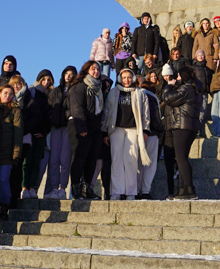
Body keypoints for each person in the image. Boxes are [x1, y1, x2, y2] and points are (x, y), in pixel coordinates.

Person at [103, 67, 151, 201]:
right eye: (124, 78)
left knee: (131, 160)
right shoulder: (113, 92)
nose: (126, 80)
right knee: (117, 160)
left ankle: (131, 192)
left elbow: (145, 113)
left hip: (133, 129)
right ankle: (116, 191)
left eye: (129, 77)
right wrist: (104, 131)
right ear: (120, 79)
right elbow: (107, 113)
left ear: (133, 79)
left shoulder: (139, 93)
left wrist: (145, 130)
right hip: (116, 129)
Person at [162, 62, 202, 199]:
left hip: (182, 126)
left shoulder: (187, 89)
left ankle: (189, 190)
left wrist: (169, 86)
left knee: (180, 158)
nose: (177, 78)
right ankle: (182, 189)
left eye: (179, 75)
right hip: (189, 126)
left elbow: (167, 98)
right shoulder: (194, 88)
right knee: (181, 158)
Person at [67, 61, 106, 199]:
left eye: (98, 69)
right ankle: (76, 188)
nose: (96, 71)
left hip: (94, 126)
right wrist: (82, 128)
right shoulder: (79, 87)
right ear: (86, 70)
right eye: (93, 69)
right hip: (80, 125)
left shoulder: (98, 88)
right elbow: (77, 108)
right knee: (80, 157)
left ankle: (87, 188)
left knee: (92, 158)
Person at [0, 85, 21, 218]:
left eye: (10, 94)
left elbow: (18, 134)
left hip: (7, 151)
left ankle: (4, 207)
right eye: (5, 93)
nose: (7, 96)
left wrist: (16, 153)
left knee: (2, 180)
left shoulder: (15, 111)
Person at [21, 71, 53, 201]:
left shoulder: (50, 94)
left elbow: (49, 115)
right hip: (29, 132)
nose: (46, 82)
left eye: (48, 80)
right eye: (43, 79)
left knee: (36, 162)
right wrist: (30, 129)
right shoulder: (32, 91)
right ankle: (24, 188)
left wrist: (44, 131)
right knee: (26, 162)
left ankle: (32, 188)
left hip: (42, 134)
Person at [42, 67, 73, 199]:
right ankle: (54, 188)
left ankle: (63, 188)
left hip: (68, 127)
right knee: (54, 160)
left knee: (65, 159)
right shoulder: (56, 91)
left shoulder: (75, 90)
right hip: (55, 127)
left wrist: (67, 115)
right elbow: (49, 107)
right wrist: (52, 117)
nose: (69, 76)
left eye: (72, 74)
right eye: (67, 73)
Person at [136, 74, 164, 200]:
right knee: (150, 164)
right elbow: (154, 117)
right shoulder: (151, 97)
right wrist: (160, 129)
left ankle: (136, 190)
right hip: (151, 134)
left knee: (138, 164)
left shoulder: (137, 95)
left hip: (137, 134)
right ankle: (145, 190)